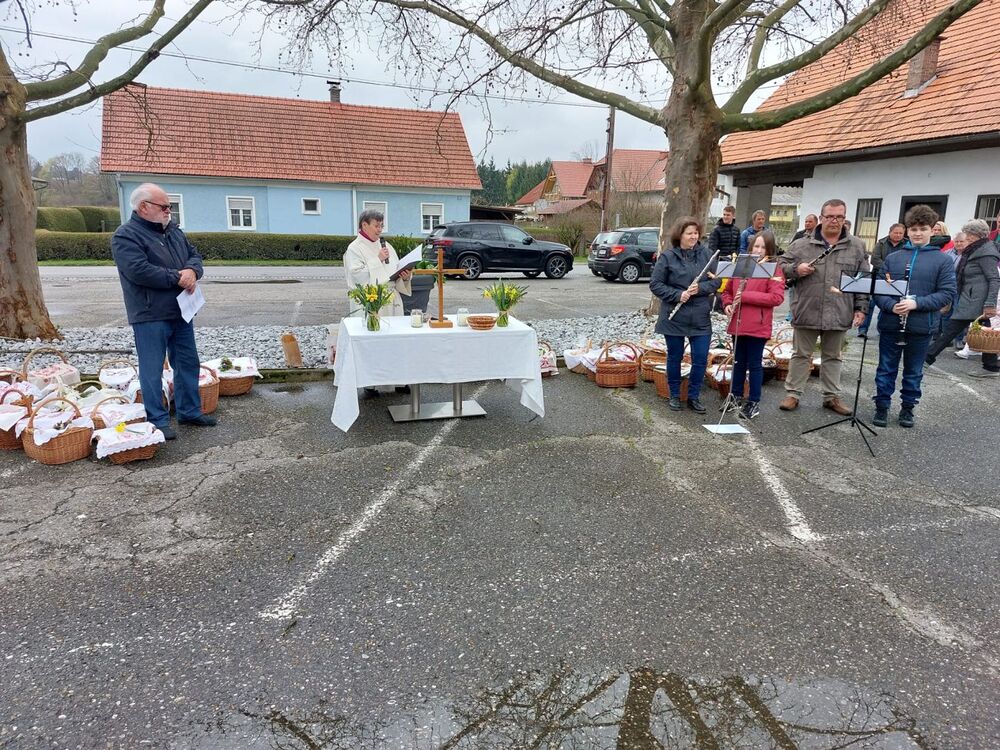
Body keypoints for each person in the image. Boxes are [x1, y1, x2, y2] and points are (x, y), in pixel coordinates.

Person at [111, 183, 215, 441]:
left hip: (181, 310)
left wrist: (192, 271)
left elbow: (194, 256)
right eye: (164, 207)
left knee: (187, 362)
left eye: (170, 206)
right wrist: (177, 277)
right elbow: (138, 270)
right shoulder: (126, 236)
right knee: (152, 368)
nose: (169, 211)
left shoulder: (174, 231)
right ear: (143, 207)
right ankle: (157, 420)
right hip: (150, 314)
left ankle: (189, 411)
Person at [778, 198, 869, 415]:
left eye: (839, 217)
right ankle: (793, 394)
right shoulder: (801, 244)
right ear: (821, 218)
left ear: (844, 219)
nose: (834, 221)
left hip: (839, 309)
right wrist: (796, 269)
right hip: (807, 307)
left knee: (833, 356)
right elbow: (780, 266)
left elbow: (863, 279)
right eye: (830, 216)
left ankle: (831, 397)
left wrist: (861, 308)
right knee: (801, 354)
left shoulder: (856, 246)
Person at [870, 205, 957, 428]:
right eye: (914, 229)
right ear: (908, 230)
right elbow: (879, 289)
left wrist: (917, 303)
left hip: (921, 325)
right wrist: (891, 306)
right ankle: (881, 405)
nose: (918, 233)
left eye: (923, 229)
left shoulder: (943, 260)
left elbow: (947, 293)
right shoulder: (894, 258)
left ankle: (907, 408)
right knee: (886, 368)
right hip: (892, 323)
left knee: (914, 371)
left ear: (932, 230)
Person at [650, 217, 721, 414]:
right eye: (689, 233)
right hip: (674, 316)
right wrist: (677, 295)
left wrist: (700, 288)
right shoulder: (668, 257)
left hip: (700, 316)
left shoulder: (707, 255)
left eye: (696, 233)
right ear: (679, 235)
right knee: (675, 357)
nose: (694, 236)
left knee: (700, 358)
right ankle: (674, 395)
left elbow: (717, 281)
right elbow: (655, 284)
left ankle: (693, 396)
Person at [342, 208, 413, 396]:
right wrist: (377, 259)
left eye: (381, 225)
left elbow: (394, 269)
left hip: (391, 299)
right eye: (376, 225)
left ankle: (399, 380)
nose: (380, 229)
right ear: (364, 225)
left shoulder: (386, 245)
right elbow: (357, 276)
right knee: (372, 344)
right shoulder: (355, 248)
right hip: (372, 301)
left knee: (396, 341)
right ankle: (371, 384)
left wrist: (405, 276)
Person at [721, 231, 785, 420]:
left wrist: (745, 296)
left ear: (769, 250)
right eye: (756, 246)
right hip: (738, 322)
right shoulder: (742, 265)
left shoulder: (774, 270)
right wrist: (727, 304)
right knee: (738, 362)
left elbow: (776, 297)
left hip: (758, 324)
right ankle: (735, 396)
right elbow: (727, 291)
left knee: (755, 364)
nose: (758, 250)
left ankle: (753, 401)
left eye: (763, 247)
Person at [925, 219, 1000, 378]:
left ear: (975, 235)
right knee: (983, 331)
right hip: (971, 297)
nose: (965, 236)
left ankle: (927, 357)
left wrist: (990, 304)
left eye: (968, 233)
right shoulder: (975, 249)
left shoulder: (986, 253)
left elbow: (994, 279)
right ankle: (991, 366)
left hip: (976, 300)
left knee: (952, 328)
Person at [858, 223, 906, 338]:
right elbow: (874, 259)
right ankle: (863, 329)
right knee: (870, 304)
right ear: (890, 232)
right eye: (896, 232)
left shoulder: (906, 245)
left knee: (886, 304)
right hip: (878, 277)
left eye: (901, 233)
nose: (898, 235)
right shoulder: (881, 243)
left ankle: (881, 329)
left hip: (896, 279)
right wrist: (888, 268)